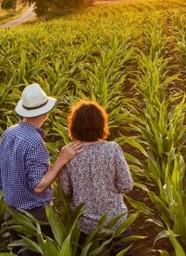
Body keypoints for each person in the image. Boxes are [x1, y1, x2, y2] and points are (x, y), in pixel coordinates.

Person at [0, 83, 83, 255]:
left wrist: (9, 188)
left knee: (17, 250)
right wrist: (62, 159)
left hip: (11, 210)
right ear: (45, 112)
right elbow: (38, 186)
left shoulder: (10, 132)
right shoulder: (34, 142)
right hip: (34, 214)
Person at [58, 100, 134, 256]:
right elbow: (127, 185)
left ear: (74, 125)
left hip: (85, 225)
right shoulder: (112, 149)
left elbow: (65, 191)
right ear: (102, 124)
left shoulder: (70, 153)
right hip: (115, 220)